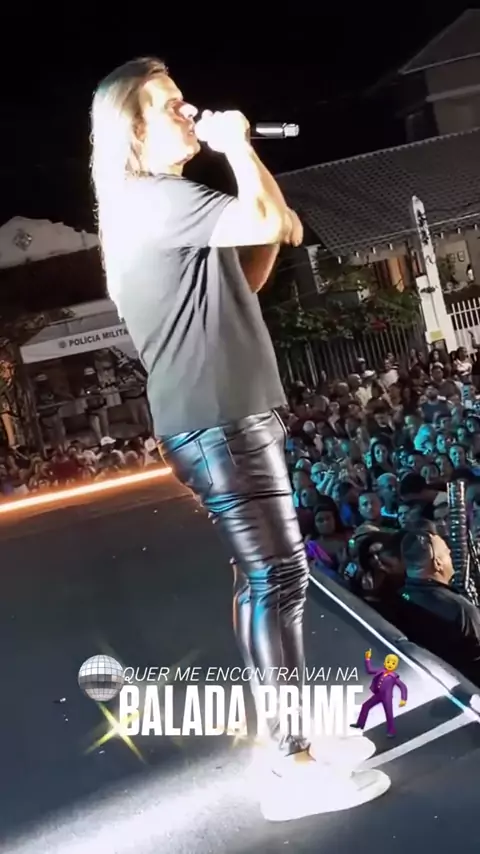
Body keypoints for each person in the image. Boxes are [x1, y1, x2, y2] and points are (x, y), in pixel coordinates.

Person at [90, 57, 388, 805]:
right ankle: (290, 760)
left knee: (266, 578)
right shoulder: (157, 198)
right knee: (277, 578)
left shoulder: (155, 205)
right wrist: (236, 148)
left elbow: (256, 259)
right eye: (170, 105)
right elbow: (267, 219)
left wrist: (260, 200)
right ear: (133, 131)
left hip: (220, 416)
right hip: (218, 419)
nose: (189, 111)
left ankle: (294, 739)